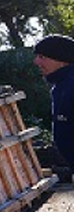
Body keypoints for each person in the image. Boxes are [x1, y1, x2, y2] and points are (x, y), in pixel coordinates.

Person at [33, 34, 74, 168]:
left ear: (62, 60)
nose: (36, 62)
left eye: (42, 57)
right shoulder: (62, 86)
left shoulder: (70, 85)